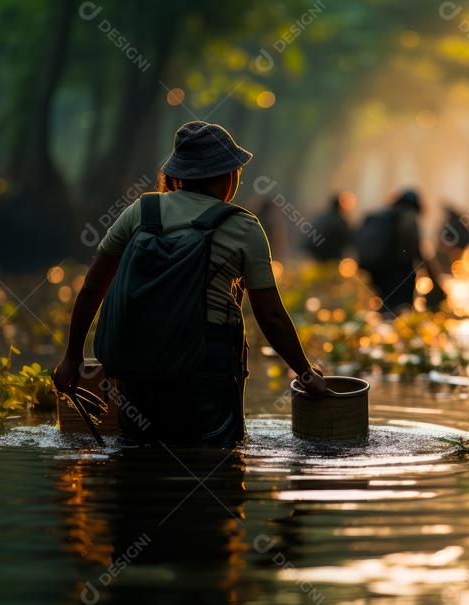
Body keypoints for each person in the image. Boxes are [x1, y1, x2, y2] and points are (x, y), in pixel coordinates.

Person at [53, 120, 326, 447]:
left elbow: (92, 288)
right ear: (229, 176)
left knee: (139, 456)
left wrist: (73, 357)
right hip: (206, 364)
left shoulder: (140, 211)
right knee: (214, 462)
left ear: (178, 176)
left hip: (137, 361)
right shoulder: (243, 226)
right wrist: (306, 373)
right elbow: (270, 317)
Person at [354, 187, 446, 316]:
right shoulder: (408, 216)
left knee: (384, 303)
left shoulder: (378, 216)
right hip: (394, 270)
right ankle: (397, 327)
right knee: (399, 307)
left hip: (371, 268)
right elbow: (418, 252)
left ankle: (382, 324)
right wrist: (436, 279)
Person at [305, 192, 353, 262]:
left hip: (312, 256)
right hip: (330, 260)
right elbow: (348, 241)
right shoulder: (340, 223)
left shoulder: (319, 218)